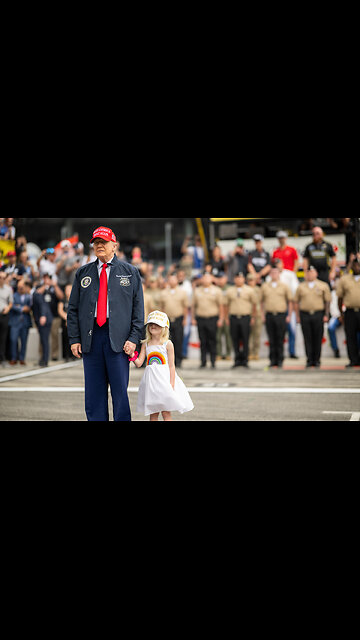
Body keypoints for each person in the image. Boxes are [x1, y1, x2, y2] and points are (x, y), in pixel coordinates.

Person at [67, 226, 144, 422]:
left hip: (119, 339)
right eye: (96, 242)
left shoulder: (130, 272)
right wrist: (75, 338)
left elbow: (138, 311)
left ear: (114, 246)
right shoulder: (82, 273)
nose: (99, 245)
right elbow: (73, 309)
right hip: (91, 339)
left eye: (104, 242)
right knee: (93, 393)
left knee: (120, 393)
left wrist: (134, 338)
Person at [132, 311, 194, 422]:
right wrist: (131, 354)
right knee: (153, 412)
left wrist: (172, 384)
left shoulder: (168, 344)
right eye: (151, 324)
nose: (153, 326)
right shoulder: (145, 344)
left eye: (157, 324)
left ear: (164, 327)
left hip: (164, 382)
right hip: (151, 383)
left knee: (166, 412)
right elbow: (139, 363)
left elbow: (171, 366)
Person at [294, 266, 331, 368]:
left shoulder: (323, 285)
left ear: (316, 274)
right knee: (307, 337)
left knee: (318, 337)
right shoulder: (301, 286)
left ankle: (317, 359)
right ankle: (309, 359)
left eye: (312, 272)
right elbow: (296, 302)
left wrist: (326, 315)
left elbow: (327, 301)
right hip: (305, 314)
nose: (310, 274)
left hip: (318, 314)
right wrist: (297, 316)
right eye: (308, 272)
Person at [260, 265, 293, 369]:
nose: (274, 274)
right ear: (270, 274)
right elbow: (261, 302)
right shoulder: (265, 286)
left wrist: (289, 315)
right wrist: (262, 314)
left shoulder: (284, 286)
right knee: (271, 338)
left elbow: (290, 301)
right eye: (272, 272)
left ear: (279, 274)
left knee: (280, 338)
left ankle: (280, 360)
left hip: (281, 315)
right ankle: (272, 360)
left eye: (276, 272)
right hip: (269, 315)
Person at [224, 272, 257, 368]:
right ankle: (237, 359)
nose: (239, 280)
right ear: (234, 279)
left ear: (244, 279)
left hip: (245, 317)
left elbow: (254, 304)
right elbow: (226, 305)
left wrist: (253, 317)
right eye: (237, 278)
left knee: (245, 339)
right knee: (235, 339)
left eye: (241, 278)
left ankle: (245, 360)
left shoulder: (249, 290)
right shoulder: (230, 290)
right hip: (234, 317)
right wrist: (226, 317)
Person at [192, 273, 224, 369]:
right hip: (201, 318)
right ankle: (203, 361)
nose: (206, 280)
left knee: (212, 340)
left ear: (211, 279)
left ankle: (213, 361)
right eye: (204, 278)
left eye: (208, 278)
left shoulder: (217, 291)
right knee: (202, 341)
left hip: (212, 318)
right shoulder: (197, 291)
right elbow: (194, 306)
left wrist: (221, 318)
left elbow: (221, 306)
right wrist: (193, 318)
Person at [159, 273, 189, 368]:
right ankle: (168, 360)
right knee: (167, 340)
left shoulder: (182, 292)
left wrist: (185, 319)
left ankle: (179, 360)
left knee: (178, 340)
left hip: (178, 319)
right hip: (167, 320)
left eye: (174, 279)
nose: (172, 281)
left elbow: (185, 307)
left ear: (177, 281)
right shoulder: (163, 293)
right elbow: (162, 307)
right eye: (170, 279)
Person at [336, 257, 360, 368]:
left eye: (359, 265)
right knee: (350, 337)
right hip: (350, 311)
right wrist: (341, 313)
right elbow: (340, 298)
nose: (357, 267)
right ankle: (353, 360)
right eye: (355, 265)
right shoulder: (345, 279)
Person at [8, 280, 33, 365]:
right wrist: (22, 308)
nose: (21, 288)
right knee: (13, 340)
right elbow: (12, 306)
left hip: (25, 322)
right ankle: (14, 358)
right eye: (19, 287)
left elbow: (30, 307)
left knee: (24, 341)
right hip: (15, 322)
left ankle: (22, 358)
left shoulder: (28, 296)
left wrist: (20, 307)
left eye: (22, 286)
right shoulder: (14, 296)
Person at [32, 278, 54, 367]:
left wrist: (43, 316)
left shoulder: (38, 295)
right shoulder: (37, 294)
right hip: (42, 319)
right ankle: (43, 359)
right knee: (43, 340)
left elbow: (43, 306)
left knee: (44, 340)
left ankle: (45, 360)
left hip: (44, 319)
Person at [58, 284, 75, 362]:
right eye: (67, 290)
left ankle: (74, 355)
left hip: (74, 323)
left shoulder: (75, 299)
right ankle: (66, 355)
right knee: (65, 339)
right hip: (65, 322)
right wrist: (67, 318)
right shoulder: (63, 300)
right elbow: (60, 310)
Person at [248, 273, 263, 361]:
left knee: (257, 335)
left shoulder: (259, 290)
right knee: (249, 335)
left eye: (252, 280)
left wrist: (262, 314)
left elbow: (262, 303)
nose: (251, 282)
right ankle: (249, 353)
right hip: (248, 314)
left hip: (257, 314)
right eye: (249, 280)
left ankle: (256, 353)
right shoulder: (245, 289)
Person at [0, 271, 13, 367]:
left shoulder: (8, 289)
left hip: (4, 315)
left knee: (3, 338)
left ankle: (3, 358)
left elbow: (11, 302)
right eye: (0, 277)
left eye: (3, 278)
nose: (1, 279)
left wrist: (8, 308)